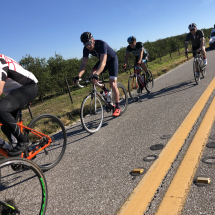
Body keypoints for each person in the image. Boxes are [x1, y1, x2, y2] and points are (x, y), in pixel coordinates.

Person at [73, 32, 121, 117]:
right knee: (92, 75)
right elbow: (83, 64)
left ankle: (117, 107)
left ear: (93, 40)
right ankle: (105, 90)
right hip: (103, 61)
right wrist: (78, 76)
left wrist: (97, 74)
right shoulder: (86, 49)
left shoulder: (102, 44)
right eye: (85, 44)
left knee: (113, 84)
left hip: (111, 60)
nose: (88, 45)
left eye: (89, 42)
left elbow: (103, 62)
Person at [0, 54, 38, 156]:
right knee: (5, 126)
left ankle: (24, 141)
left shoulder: (0, 61)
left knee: (1, 109)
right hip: (14, 93)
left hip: (28, 87)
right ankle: (25, 154)